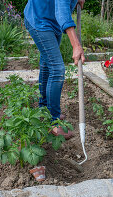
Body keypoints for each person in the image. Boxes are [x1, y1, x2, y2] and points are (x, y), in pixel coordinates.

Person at [24, 0, 85, 139]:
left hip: (52, 20)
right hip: (39, 19)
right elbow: (62, 9)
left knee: (47, 64)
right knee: (57, 69)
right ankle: (54, 122)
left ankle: (44, 110)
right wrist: (76, 45)